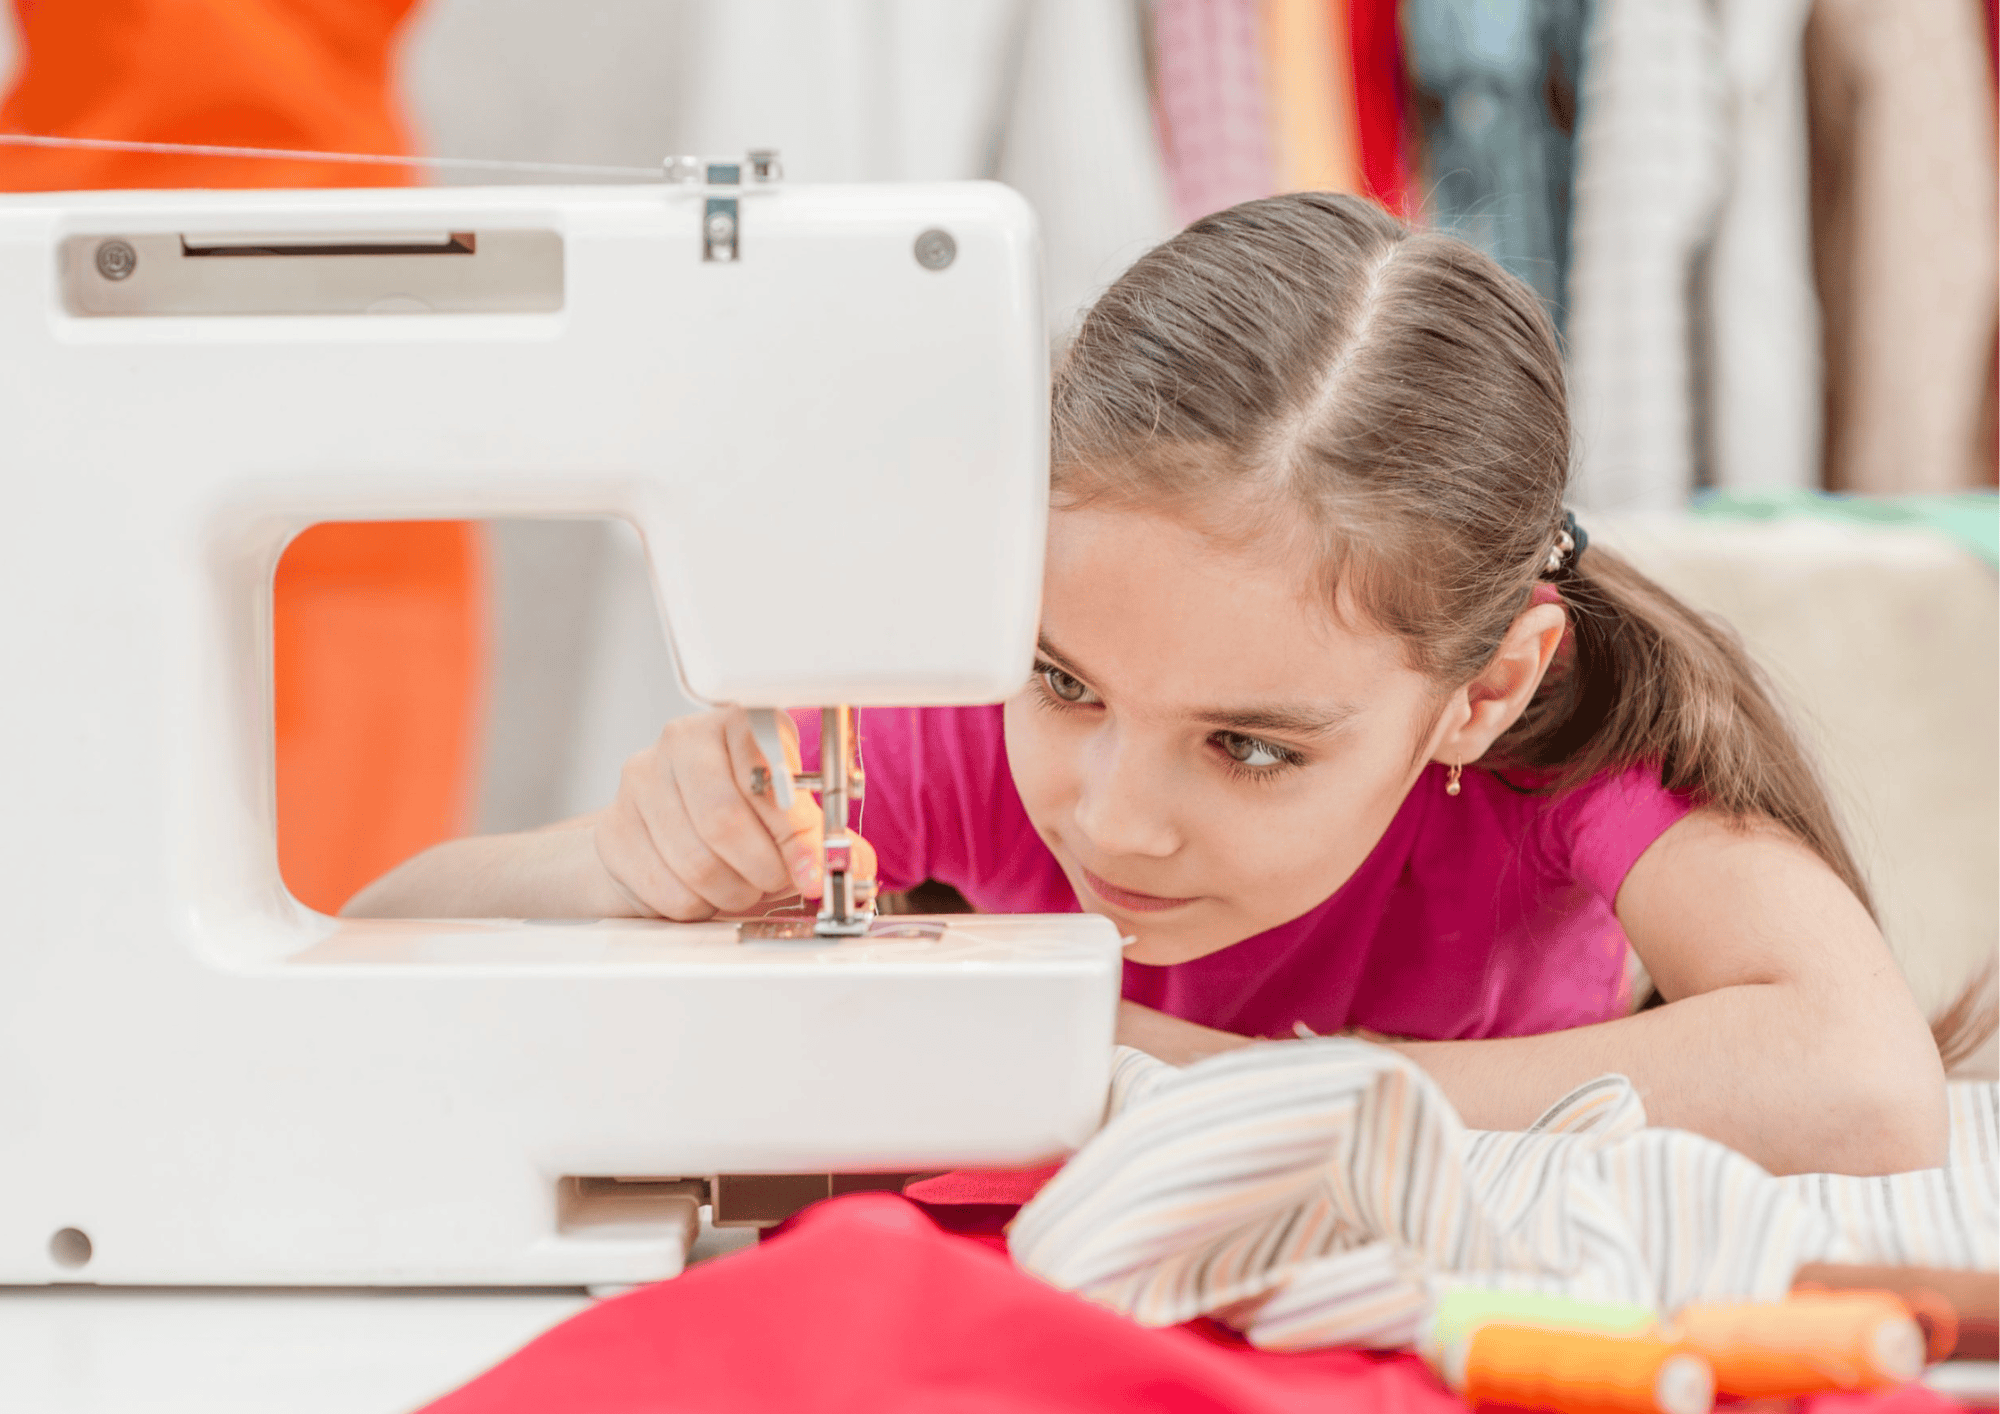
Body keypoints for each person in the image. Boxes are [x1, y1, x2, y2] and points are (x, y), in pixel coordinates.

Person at [349, 194, 1972, 1177]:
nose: (1114, 816)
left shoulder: (1564, 750)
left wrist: (1188, 1080)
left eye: (1250, 746)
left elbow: (1866, 1084)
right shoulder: (956, 725)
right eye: (1064, 678)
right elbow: (380, 933)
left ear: (1481, 693)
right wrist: (628, 858)